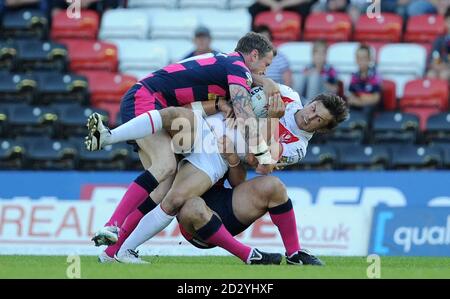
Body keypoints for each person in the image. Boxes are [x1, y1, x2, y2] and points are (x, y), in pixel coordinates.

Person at [88, 85, 348, 263]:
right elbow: (246, 84)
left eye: (319, 121)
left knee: (171, 197)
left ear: (323, 130)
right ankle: (110, 135)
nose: (310, 117)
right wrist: (260, 85)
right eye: (314, 109)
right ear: (312, 101)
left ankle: (118, 250)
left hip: (217, 155)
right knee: (173, 118)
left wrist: (266, 118)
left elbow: (260, 159)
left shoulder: (298, 147)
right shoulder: (288, 94)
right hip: (205, 126)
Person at [85, 32, 281, 257]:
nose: (265, 71)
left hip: (152, 103)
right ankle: (108, 140)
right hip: (146, 98)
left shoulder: (225, 63)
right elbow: (244, 114)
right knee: (166, 165)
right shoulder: (237, 67)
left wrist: (260, 83)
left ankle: (114, 252)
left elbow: (199, 98)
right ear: (254, 55)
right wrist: (264, 155)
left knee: (162, 190)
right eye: (265, 65)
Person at [346, 44, 382, 118]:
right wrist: (363, 99)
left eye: (364, 58)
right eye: (359, 58)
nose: (361, 61)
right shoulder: (354, 76)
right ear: (356, 59)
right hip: (358, 105)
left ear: (369, 59)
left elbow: (376, 99)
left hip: (371, 108)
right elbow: (350, 98)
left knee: (367, 109)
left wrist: (360, 99)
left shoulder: (375, 76)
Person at [248, 0, 319, 28]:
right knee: (254, 8)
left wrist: (283, 4)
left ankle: (301, 37)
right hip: (272, 3)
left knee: (304, 9)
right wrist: (272, 4)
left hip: (291, 3)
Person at [426, 7, 450, 82]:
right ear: (445, 22)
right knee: (430, 75)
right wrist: (439, 65)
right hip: (441, 67)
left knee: (444, 75)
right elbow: (435, 56)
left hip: (447, 70)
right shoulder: (439, 40)